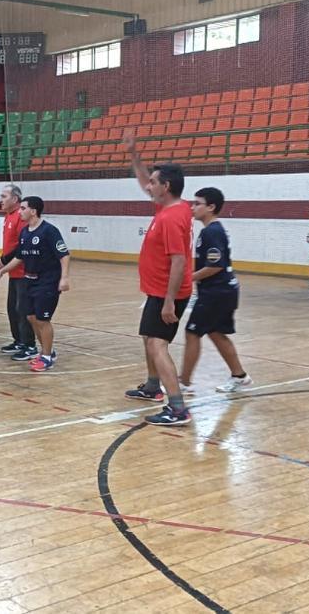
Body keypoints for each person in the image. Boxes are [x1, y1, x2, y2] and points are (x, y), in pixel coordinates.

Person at [122, 130, 194, 426]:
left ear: (166, 186)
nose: (148, 185)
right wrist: (134, 156)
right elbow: (142, 182)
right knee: (147, 338)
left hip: (169, 294)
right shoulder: (172, 206)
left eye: (153, 182)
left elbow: (179, 262)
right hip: (157, 290)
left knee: (157, 345)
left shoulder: (171, 218)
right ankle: (152, 386)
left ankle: (177, 408)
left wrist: (168, 303)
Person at [178, 187, 252, 393]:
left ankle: (183, 382)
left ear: (211, 207)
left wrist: (187, 278)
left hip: (217, 293)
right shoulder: (212, 230)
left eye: (197, 203)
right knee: (217, 333)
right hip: (224, 291)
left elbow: (215, 265)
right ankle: (240, 376)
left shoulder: (211, 231)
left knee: (192, 332)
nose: (193, 208)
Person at [0, 196, 70, 372]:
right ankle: (46, 351)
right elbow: (19, 257)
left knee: (43, 319)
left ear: (33, 211)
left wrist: (64, 278)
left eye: (23, 208)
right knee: (31, 317)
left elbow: (64, 254)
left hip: (47, 282)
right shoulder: (25, 232)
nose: (20, 212)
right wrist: (1, 272)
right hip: (30, 280)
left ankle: (47, 356)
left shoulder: (49, 231)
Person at [0, 183, 37, 360]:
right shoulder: (9, 216)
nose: (0, 200)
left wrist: (4, 260)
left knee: (23, 309)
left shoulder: (20, 217)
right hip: (13, 272)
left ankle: (30, 345)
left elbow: (22, 245)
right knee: (12, 308)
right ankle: (19, 340)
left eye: (4, 196)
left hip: (23, 272)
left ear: (15, 199)